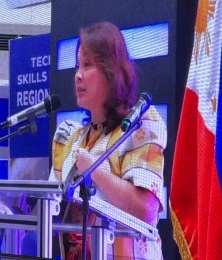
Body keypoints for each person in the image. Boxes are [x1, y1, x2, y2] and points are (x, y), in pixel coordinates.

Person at [49, 21, 167, 259]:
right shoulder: (69, 138)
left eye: (88, 65)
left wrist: (94, 170)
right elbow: (50, 207)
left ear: (111, 71)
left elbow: (146, 210)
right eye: (77, 66)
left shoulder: (141, 127)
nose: (78, 76)